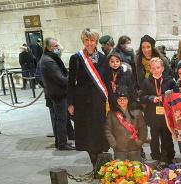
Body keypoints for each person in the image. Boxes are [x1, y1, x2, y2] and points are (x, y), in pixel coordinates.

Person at [67, 28, 110, 168]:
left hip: (99, 101)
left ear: (96, 41)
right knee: (88, 132)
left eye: (92, 40)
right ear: (83, 41)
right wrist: (70, 103)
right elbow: (70, 82)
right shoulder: (76, 58)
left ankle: (102, 161)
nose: (89, 43)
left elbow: (107, 81)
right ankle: (94, 163)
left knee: (100, 130)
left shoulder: (103, 58)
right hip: (83, 102)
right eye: (87, 40)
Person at [140, 57, 178, 167]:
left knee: (166, 137)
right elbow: (141, 96)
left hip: (166, 115)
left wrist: (163, 97)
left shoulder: (169, 81)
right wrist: (151, 98)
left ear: (162, 68)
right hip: (152, 115)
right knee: (154, 138)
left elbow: (175, 95)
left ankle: (167, 157)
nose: (156, 70)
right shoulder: (146, 82)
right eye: (153, 68)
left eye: (158, 67)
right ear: (150, 70)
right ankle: (156, 156)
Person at [40, 37, 75, 151]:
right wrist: (72, 77)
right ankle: (62, 143)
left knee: (61, 118)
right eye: (55, 46)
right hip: (58, 94)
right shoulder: (48, 61)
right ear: (49, 47)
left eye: (57, 46)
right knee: (61, 120)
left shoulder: (49, 58)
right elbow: (61, 79)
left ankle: (60, 142)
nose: (58, 48)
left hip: (56, 93)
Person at [105, 85, 147, 161]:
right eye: (119, 99)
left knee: (136, 170)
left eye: (124, 99)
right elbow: (108, 130)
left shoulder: (137, 112)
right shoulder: (111, 114)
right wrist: (114, 144)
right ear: (116, 100)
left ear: (129, 99)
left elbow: (143, 128)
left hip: (134, 147)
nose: (122, 101)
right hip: (119, 149)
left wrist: (140, 141)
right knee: (120, 171)